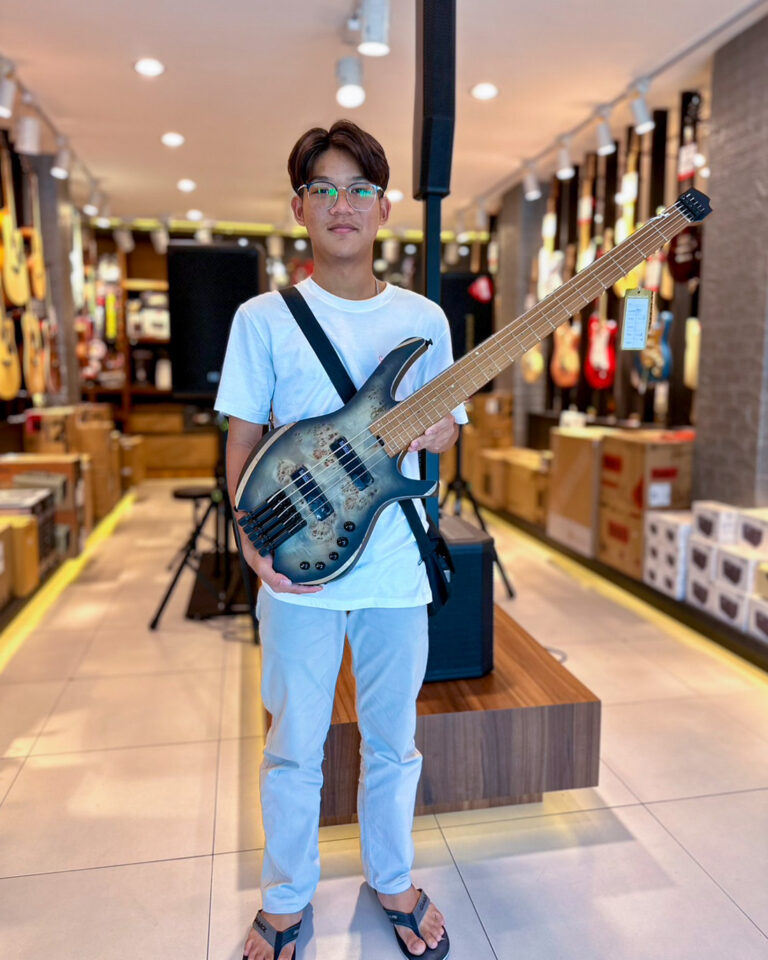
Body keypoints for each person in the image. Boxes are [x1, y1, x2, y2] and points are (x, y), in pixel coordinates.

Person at [216, 119, 466, 960]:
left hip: (395, 563)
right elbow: (244, 439)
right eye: (322, 188)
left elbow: (449, 426)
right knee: (293, 747)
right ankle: (286, 899)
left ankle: (391, 880)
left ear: (384, 208)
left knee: (395, 741)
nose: (342, 203)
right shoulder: (263, 318)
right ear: (299, 208)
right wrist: (251, 543)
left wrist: (441, 432)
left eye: (359, 188)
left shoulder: (424, 318)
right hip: (300, 570)